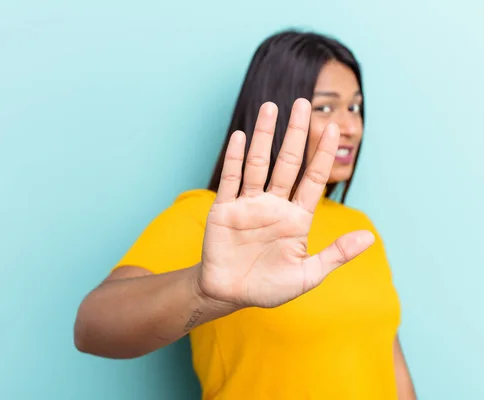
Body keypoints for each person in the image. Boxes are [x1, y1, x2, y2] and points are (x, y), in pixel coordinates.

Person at [74, 30, 416, 399]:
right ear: (280, 110)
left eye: (355, 107)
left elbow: (388, 363)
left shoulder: (358, 230)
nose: (351, 127)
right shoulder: (210, 219)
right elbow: (92, 327)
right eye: (325, 107)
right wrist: (202, 291)